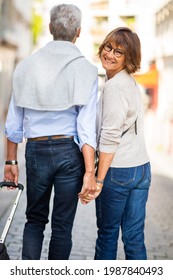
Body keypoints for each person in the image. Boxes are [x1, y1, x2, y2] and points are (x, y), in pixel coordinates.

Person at [3, 4, 98, 260]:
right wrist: (90, 172)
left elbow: (14, 123)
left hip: (36, 151)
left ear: (49, 28)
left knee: (34, 220)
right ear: (78, 32)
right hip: (69, 152)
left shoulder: (25, 67)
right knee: (63, 227)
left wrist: (11, 160)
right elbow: (86, 128)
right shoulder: (87, 70)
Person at [88, 27, 151, 260]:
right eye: (108, 47)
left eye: (119, 52)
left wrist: (99, 179)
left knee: (107, 235)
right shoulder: (129, 82)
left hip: (118, 172)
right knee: (134, 237)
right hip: (141, 168)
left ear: (129, 57)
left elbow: (110, 135)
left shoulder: (114, 87)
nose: (110, 55)